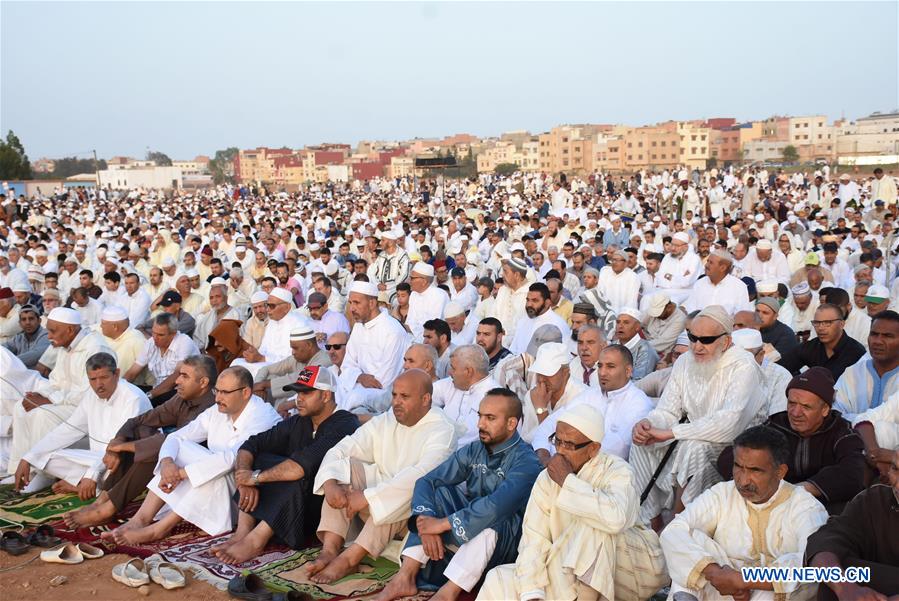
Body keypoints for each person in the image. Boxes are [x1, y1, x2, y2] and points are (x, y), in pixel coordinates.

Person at [478, 404, 667, 601]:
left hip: (633, 569)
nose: (559, 450)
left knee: (594, 525)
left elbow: (615, 519)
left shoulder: (618, 471)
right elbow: (534, 539)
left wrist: (567, 481)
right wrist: (533, 593)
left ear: (593, 449)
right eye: (557, 441)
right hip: (567, 571)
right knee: (498, 579)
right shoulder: (547, 478)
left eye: (569, 445)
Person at [376, 389, 542, 601]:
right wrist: (426, 526)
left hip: (504, 542)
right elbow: (427, 481)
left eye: (490, 418)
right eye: (480, 416)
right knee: (439, 491)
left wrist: (442, 524)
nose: (481, 424)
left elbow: (497, 506)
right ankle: (404, 577)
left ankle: (448, 593)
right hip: (466, 530)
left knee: (494, 520)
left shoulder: (526, 461)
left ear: (511, 424)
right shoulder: (475, 449)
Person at [307, 369, 458, 584]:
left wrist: (368, 497)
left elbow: (420, 478)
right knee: (344, 467)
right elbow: (342, 449)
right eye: (394, 395)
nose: (396, 402)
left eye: (404, 397)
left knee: (407, 491)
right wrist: (330, 483)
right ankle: (330, 549)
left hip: (412, 516)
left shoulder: (443, 430)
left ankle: (350, 559)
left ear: (426, 399)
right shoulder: (387, 419)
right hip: (369, 503)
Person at [102, 366, 280, 544]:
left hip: (246, 495)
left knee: (215, 471)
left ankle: (159, 529)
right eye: (216, 391)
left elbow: (232, 460)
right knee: (182, 449)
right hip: (213, 485)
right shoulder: (218, 410)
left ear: (246, 392)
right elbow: (177, 437)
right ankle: (139, 520)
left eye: (225, 392)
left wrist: (179, 474)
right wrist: (166, 463)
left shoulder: (262, 417)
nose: (217, 398)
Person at [630, 305, 766, 528]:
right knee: (641, 442)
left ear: (726, 341)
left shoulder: (743, 366)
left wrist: (672, 433)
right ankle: (651, 521)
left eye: (706, 340)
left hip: (736, 442)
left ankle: (680, 524)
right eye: (693, 338)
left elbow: (730, 422)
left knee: (693, 447)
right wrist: (650, 424)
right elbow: (668, 410)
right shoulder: (685, 362)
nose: (697, 346)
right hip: (689, 434)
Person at [660, 425, 828, 601]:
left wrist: (745, 581)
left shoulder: (805, 507)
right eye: (738, 466)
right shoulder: (723, 493)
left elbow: (811, 564)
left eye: (755, 470)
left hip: (767, 593)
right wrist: (716, 572)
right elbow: (675, 531)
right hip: (724, 587)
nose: (743, 480)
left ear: (780, 472)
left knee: (794, 574)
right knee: (686, 537)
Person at [212, 366, 359, 564]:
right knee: (261, 457)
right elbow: (251, 444)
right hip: (289, 508)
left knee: (299, 474)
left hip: (321, 513)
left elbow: (302, 466)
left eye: (306, 392)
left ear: (325, 395)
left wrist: (255, 478)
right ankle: (243, 531)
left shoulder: (344, 424)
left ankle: (256, 540)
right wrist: (246, 477)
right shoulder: (299, 421)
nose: (299, 398)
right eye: (297, 392)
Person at [61, 355, 217, 528]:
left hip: (199, 470)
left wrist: (123, 446)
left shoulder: (211, 406)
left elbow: (178, 440)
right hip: (176, 461)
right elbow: (140, 420)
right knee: (137, 433)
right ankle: (102, 500)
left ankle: (109, 509)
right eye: (179, 374)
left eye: (184, 376)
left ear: (203, 382)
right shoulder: (181, 398)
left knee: (154, 450)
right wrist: (116, 443)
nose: (177, 381)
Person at [718, 368, 866, 514]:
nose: (795, 413)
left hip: (822, 508)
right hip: (770, 502)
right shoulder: (776, 425)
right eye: (791, 403)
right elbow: (729, 457)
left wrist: (801, 490)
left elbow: (853, 473)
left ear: (825, 409)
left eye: (806, 407)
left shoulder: (842, 432)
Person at [13, 352, 151, 498]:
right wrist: (28, 457)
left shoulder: (132, 398)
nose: (99, 384)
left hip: (125, 460)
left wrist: (92, 474)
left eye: (104, 377)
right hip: (96, 460)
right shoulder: (91, 395)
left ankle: (85, 485)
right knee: (43, 456)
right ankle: (88, 483)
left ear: (116, 374)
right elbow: (69, 429)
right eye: (93, 379)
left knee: (113, 466)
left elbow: (117, 449)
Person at [7, 307, 113, 473]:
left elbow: (91, 393)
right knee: (21, 407)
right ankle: (17, 469)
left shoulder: (95, 348)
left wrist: (50, 400)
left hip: (89, 408)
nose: (49, 336)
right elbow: (55, 382)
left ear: (70, 330)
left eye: (53, 331)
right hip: (66, 403)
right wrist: (41, 394)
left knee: (43, 414)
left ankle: (41, 471)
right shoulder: (66, 346)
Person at [805, 449, 899, 601]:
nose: (898, 484)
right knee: (836, 570)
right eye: (895, 469)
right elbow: (825, 540)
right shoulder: (874, 500)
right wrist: (846, 589)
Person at [533, 344, 654, 461]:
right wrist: (543, 455)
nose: (602, 373)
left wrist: (563, 457)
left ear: (628, 371)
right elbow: (548, 425)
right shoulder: (591, 394)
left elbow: (618, 450)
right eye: (600, 366)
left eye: (610, 366)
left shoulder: (639, 403)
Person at [339, 280, 410, 412]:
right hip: (356, 386)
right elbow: (347, 365)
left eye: (357, 303)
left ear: (371, 303)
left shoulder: (393, 331)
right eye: (350, 303)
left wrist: (356, 379)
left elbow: (383, 382)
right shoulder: (359, 326)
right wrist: (360, 377)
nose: (352, 308)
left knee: (352, 401)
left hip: (380, 397)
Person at [834, 310, 899, 421]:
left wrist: (855, 420)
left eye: (888, 336)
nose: (877, 341)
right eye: (874, 334)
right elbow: (835, 414)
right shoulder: (853, 373)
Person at [124, 312, 200, 406]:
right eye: (153, 333)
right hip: (158, 390)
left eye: (160, 335)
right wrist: (120, 389)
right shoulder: (150, 343)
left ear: (173, 334)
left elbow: (177, 375)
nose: (155, 338)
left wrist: (150, 395)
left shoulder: (184, 342)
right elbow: (132, 373)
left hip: (179, 391)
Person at [233, 288, 308, 379]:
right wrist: (253, 354)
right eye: (267, 305)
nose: (268, 310)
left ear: (287, 307)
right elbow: (263, 349)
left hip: (287, 370)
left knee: (257, 374)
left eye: (272, 306)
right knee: (236, 364)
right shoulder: (272, 322)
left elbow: (294, 359)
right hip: (267, 362)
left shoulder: (299, 324)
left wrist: (261, 358)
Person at [432, 345, 499, 447]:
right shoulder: (451, 383)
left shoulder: (496, 397)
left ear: (468, 371)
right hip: (437, 448)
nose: (449, 372)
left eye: (453, 368)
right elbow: (424, 396)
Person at [778, 304, 866, 380]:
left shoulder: (856, 352)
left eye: (827, 323)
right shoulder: (811, 347)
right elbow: (781, 369)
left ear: (841, 324)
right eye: (817, 323)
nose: (820, 328)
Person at [253, 325, 331, 410]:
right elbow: (266, 369)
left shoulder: (325, 360)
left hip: (309, 408)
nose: (293, 352)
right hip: (288, 406)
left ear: (309, 345)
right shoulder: (297, 358)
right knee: (271, 376)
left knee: (281, 389)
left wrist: (264, 384)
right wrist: (258, 389)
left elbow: (299, 379)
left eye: (295, 348)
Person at [520, 342, 586, 442]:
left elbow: (559, 443)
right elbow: (526, 439)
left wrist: (541, 410)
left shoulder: (581, 397)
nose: (541, 379)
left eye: (548, 373)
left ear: (565, 372)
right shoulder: (532, 394)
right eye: (539, 373)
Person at [509, 282, 570, 355]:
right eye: (528, 300)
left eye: (535, 301)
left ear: (547, 303)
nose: (529, 304)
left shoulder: (558, 324)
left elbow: (563, 356)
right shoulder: (523, 320)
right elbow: (513, 350)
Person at [684, 249, 752, 315]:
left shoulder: (739, 287)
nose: (706, 265)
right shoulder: (699, 283)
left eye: (711, 263)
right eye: (707, 261)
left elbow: (741, 316)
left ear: (722, 268)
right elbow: (690, 310)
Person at [406, 262, 449, 341]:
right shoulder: (413, 294)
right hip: (412, 337)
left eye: (412, 278)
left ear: (424, 281)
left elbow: (432, 327)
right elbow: (409, 321)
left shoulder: (439, 295)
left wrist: (409, 328)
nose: (409, 281)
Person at [614, 307, 659, 379]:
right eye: (618, 322)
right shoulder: (612, 346)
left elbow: (638, 381)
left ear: (637, 327)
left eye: (626, 322)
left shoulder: (646, 350)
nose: (620, 326)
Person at [2, 304, 49, 369]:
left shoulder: (46, 335)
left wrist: (9, 362)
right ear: (20, 323)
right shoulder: (18, 338)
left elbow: (36, 354)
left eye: (31, 319)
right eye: (24, 319)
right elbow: (3, 349)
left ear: (39, 321)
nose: (27, 322)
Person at [643, 292, 687, 358]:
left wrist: (637, 347)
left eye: (658, 313)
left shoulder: (680, 319)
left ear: (669, 307)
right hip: (646, 341)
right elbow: (639, 322)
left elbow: (661, 343)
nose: (656, 316)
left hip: (659, 350)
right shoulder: (657, 307)